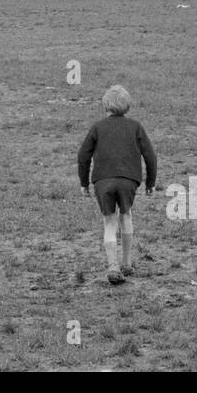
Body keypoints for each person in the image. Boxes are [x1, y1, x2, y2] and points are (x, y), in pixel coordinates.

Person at [77, 85, 158, 285]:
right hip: (128, 179)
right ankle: (127, 262)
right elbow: (150, 156)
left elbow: (83, 156)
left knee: (109, 221)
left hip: (102, 180)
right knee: (126, 215)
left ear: (106, 106)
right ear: (127, 106)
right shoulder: (136, 126)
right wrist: (150, 183)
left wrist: (84, 182)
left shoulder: (97, 127)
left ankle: (112, 265)